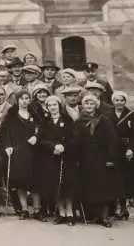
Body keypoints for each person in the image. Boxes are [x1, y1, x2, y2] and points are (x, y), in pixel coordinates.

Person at [75, 94, 124, 228]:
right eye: (86, 104)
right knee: (91, 187)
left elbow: (112, 141)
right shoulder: (79, 122)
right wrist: (77, 159)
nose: (89, 106)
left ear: (96, 105)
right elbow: (76, 142)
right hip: (86, 160)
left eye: (91, 104)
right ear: (83, 106)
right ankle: (94, 214)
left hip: (102, 159)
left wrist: (110, 159)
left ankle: (104, 216)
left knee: (104, 188)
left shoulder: (104, 120)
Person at [0, 89, 43, 221]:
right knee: (20, 182)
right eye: (22, 98)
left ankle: (37, 209)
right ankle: (24, 209)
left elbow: (43, 129)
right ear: (17, 100)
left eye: (27, 98)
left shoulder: (35, 115)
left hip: (34, 152)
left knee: (35, 182)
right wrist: (7, 146)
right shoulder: (11, 115)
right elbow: (3, 132)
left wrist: (37, 137)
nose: (25, 101)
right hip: (18, 151)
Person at [36, 96, 79, 226]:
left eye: (55, 105)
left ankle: (70, 213)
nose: (52, 108)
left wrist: (64, 147)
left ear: (59, 106)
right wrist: (52, 147)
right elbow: (40, 139)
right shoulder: (45, 121)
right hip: (51, 157)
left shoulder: (67, 120)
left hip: (66, 157)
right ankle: (61, 213)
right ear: (47, 108)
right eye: (50, 105)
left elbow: (75, 138)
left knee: (67, 185)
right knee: (56, 185)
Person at [107, 91, 134, 223]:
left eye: (121, 100)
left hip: (130, 152)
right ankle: (123, 209)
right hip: (115, 151)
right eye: (116, 100)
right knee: (120, 180)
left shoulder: (131, 115)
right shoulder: (108, 115)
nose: (119, 103)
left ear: (125, 102)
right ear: (113, 102)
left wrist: (131, 149)